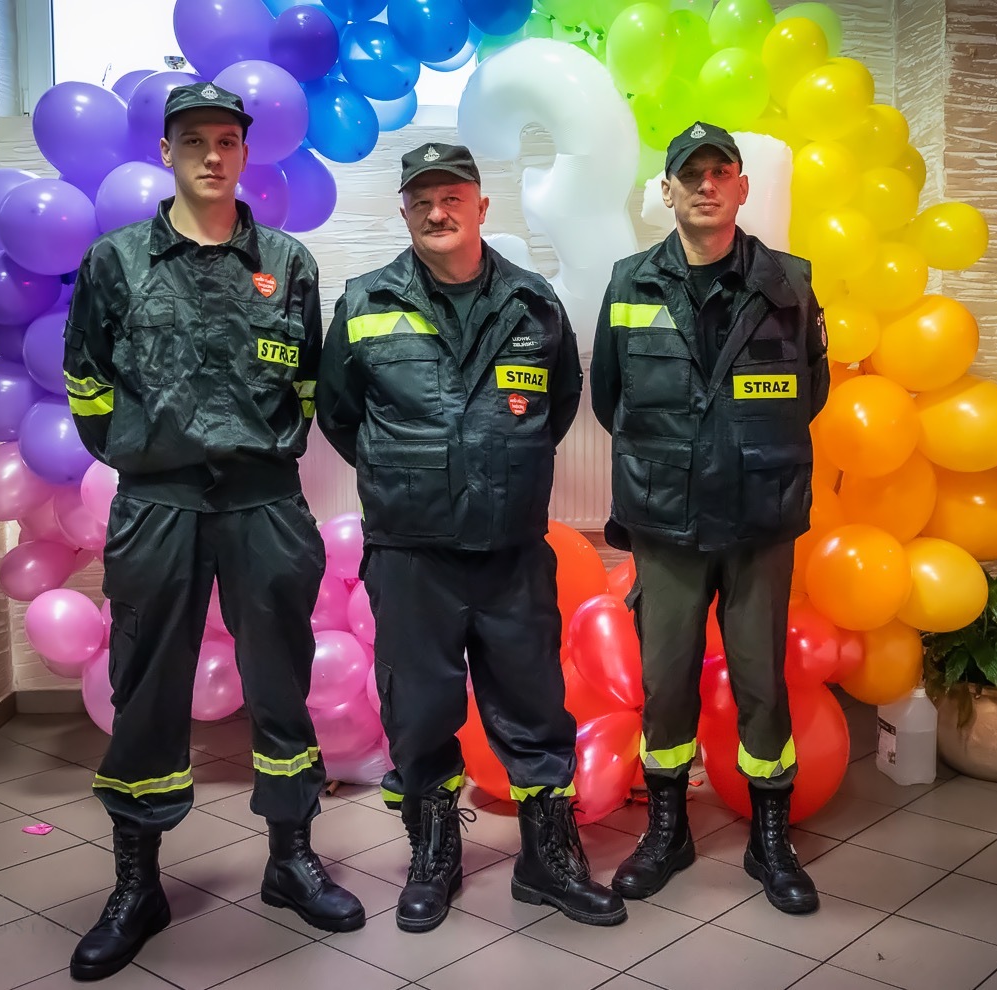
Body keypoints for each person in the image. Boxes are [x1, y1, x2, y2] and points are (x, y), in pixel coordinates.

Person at [62, 82, 363, 981]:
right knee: (146, 686)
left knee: (282, 681)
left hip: (265, 503)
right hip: (159, 504)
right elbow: (86, 384)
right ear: (166, 152)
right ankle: (137, 883)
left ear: (244, 152)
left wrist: (254, 452)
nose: (211, 155)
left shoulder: (288, 263)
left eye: (227, 140)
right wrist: (143, 452)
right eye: (193, 140)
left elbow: (308, 384)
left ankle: (291, 859)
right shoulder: (117, 261)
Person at [315, 142, 626, 933]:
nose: (437, 211)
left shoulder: (533, 301)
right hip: (411, 551)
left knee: (535, 706)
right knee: (420, 710)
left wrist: (497, 471)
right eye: (421, 199)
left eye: (452, 196)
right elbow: (341, 415)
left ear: (481, 206)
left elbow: (558, 405)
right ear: (404, 212)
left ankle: (547, 860)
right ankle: (434, 855)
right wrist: (412, 477)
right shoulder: (365, 301)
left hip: (511, 547)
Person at [590, 121, 829, 915]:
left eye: (720, 171)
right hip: (665, 519)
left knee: (762, 680)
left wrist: (739, 445)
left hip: (760, 516)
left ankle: (770, 838)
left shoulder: (790, 283)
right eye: (689, 174)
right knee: (666, 683)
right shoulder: (629, 284)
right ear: (666, 191)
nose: (705, 185)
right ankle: (669, 831)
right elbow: (609, 398)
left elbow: (811, 391)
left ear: (742, 186)